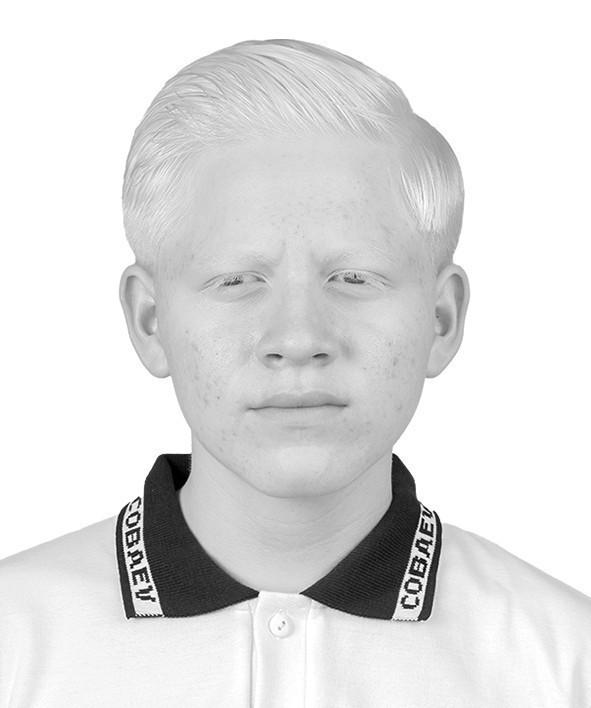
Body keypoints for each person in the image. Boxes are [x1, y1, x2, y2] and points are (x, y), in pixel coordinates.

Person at [0, 38, 589, 707]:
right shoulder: (15, 646)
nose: (299, 339)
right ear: (150, 320)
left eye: (353, 277)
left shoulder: (564, 664)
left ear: (441, 318)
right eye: (237, 280)